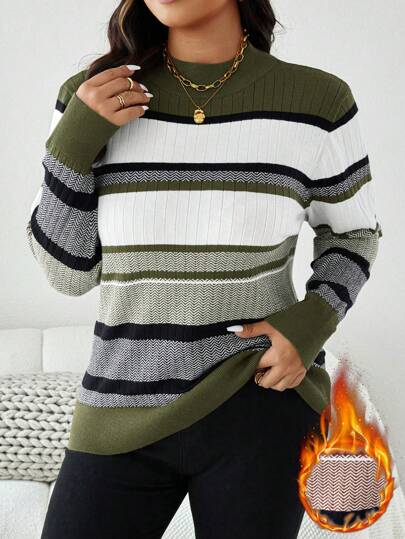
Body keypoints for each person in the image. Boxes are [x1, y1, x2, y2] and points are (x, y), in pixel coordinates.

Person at [26, 0, 382, 537]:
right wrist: (73, 143)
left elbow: (354, 232)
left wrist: (310, 324)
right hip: (120, 402)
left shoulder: (317, 101)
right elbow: (67, 274)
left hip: (259, 402)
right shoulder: (95, 96)